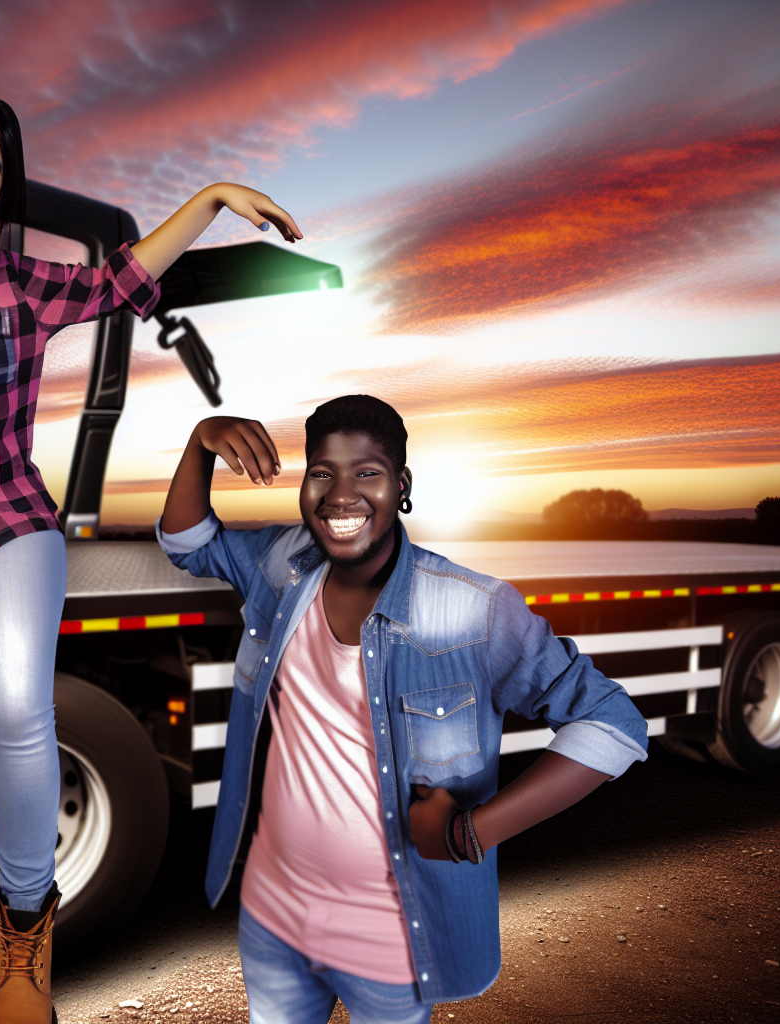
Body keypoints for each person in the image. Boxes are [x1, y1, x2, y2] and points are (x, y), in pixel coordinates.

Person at [0, 83, 301, 1024]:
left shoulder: (18, 287)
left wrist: (212, 195)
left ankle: (22, 936)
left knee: (13, 704)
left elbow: (126, 280)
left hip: (6, 521)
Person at [157, 395, 649, 1024]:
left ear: (402, 485)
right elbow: (187, 542)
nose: (341, 494)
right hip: (273, 922)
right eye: (322, 472)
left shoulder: (473, 609)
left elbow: (612, 723)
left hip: (390, 947)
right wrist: (202, 439)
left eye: (367, 472)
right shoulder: (281, 566)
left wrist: (472, 833)